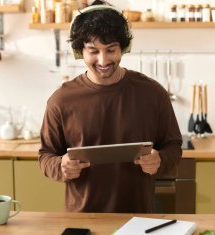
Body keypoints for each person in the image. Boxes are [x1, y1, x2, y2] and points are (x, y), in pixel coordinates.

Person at [38, 0, 182, 213]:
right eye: (93, 51)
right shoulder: (61, 100)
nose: (103, 60)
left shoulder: (153, 93)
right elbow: (46, 155)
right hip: (81, 218)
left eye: (110, 50)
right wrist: (60, 166)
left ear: (123, 47)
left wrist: (159, 160)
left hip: (139, 217)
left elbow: (173, 147)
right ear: (80, 51)